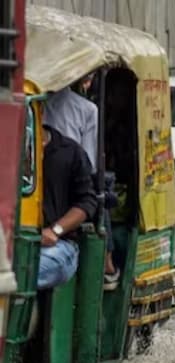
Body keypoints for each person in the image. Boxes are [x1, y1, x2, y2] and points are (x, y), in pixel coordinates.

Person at [43, 78, 120, 290]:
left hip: (65, 188)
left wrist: (55, 230)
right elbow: (91, 165)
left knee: (97, 194)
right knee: (99, 189)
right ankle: (108, 264)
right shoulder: (85, 108)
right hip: (68, 179)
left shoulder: (83, 110)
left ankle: (106, 261)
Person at [38, 125, 98, 290]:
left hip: (58, 246)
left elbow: (87, 201)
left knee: (24, 272)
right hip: (11, 245)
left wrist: (55, 230)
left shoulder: (70, 152)